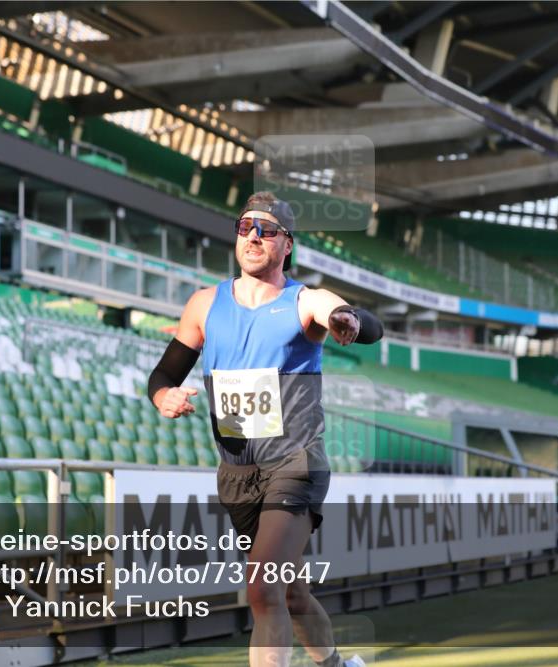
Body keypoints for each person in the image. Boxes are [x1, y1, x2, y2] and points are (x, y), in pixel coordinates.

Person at [147, 192, 383, 667]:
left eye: (267, 229)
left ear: (287, 245)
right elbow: (163, 376)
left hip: (294, 464)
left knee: (261, 587)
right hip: (238, 473)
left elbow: (357, 320)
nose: (254, 236)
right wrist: (164, 397)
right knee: (290, 594)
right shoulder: (204, 304)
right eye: (245, 226)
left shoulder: (304, 302)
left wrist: (346, 320)